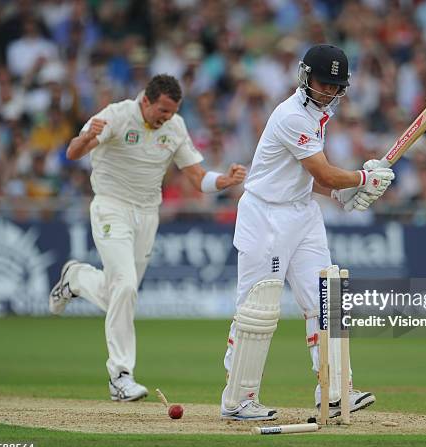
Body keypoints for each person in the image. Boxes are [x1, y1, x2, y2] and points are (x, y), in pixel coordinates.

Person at [221, 44, 395, 420]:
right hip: (264, 216)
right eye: (323, 83)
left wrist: (340, 191)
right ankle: (238, 400)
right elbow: (323, 172)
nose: (329, 91)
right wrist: (363, 178)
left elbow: (311, 178)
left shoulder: (318, 116)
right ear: (305, 77)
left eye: (335, 85)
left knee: (327, 296)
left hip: (302, 213)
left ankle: (334, 392)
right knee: (258, 310)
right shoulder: (291, 116)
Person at [49, 74, 246, 402]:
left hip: (147, 215)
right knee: (125, 286)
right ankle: (120, 376)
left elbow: (196, 177)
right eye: (162, 111)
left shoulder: (175, 127)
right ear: (146, 101)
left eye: (172, 112)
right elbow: (72, 152)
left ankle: (78, 279)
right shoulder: (116, 115)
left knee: (122, 293)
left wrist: (223, 181)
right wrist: (87, 139)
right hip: (111, 206)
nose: (166, 118)